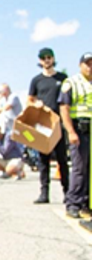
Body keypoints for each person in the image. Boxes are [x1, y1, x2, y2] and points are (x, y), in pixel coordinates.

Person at [27, 47, 70, 204]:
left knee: (62, 160)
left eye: (49, 57)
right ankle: (44, 193)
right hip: (42, 126)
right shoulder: (36, 80)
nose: (46, 60)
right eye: (43, 58)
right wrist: (36, 103)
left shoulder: (63, 78)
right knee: (43, 161)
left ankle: (68, 193)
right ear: (40, 61)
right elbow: (29, 100)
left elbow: (68, 98)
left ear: (53, 59)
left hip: (58, 124)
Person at [59, 52, 92, 219]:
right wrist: (70, 131)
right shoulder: (71, 83)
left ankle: (87, 204)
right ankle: (73, 203)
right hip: (79, 130)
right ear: (81, 65)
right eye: (87, 63)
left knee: (90, 170)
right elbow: (64, 108)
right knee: (79, 168)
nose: (90, 67)